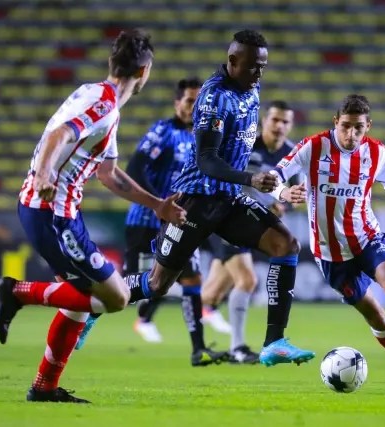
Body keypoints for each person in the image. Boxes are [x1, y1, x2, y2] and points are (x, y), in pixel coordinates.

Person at [0, 29, 187, 403]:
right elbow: (59, 135)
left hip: (57, 211)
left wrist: (157, 205)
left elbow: (108, 174)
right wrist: (44, 174)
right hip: (51, 212)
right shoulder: (104, 105)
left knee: (80, 302)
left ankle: (44, 387)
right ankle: (16, 292)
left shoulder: (97, 97)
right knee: (115, 297)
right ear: (144, 72)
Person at [119, 29, 315, 367]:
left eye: (263, 66)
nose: (259, 73)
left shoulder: (251, 88)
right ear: (233, 61)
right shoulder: (214, 97)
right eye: (253, 66)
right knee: (157, 284)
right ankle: (92, 301)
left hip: (228, 199)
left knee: (286, 245)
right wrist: (250, 179)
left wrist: (273, 189)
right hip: (196, 201)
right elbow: (207, 160)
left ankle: (274, 342)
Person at [268, 94, 385, 384]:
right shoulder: (313, 147)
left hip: (367, 237)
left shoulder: (377, 153)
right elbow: (276, 174)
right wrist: (282, 192)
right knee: (376, 317)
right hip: (330, 253)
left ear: (368, 126)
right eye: (346, 126)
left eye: (359, 128)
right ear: (336, 122)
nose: (351, 134)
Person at [75, 77, 228, 366]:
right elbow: (135, 168)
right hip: (147, 221)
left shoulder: (204, 139)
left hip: (181, 222)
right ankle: (87, 313)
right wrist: (159, 203)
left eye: (200, 102)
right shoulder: (163, 131)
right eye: (189, 101)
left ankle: (198, 349)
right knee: (127, 290)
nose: (194, 107)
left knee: (192, 278)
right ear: (177, 103)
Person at [200, 100, 298, 364]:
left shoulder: (291, 155)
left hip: (255, 224)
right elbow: (222, 172)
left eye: (285, 121)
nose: (279, 126)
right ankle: (238, 348)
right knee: (247, 280)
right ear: (264, 121)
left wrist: (284, 204)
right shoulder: (246, 145)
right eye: (275, 119)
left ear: (290, 125)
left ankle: (174, 293)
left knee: (211, 294)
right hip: (228, 218)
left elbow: (293, 193)